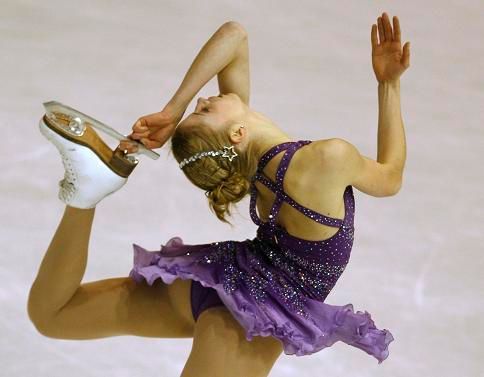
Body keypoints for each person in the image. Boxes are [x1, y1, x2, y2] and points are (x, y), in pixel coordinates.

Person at [28, 14, 409, 377]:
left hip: (222, 278)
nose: (202, 100)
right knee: (56, 315)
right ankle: (86, 191)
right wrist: (388, 85)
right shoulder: (324, 159)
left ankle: (84, 196)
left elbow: (234, 36)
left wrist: (173, 109)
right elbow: (391, 177)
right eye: (206, 107)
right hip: (253, 315)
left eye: (201, 105)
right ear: (236, 134)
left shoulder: (254, 164)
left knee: (55, 313)